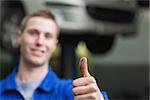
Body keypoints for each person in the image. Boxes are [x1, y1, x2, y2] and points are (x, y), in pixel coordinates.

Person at [0, 9, 108, 100]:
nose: (40, 41)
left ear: (55, 44)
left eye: (48, 36)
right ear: (19, 37)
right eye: (33, 33)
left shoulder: (73, 92)